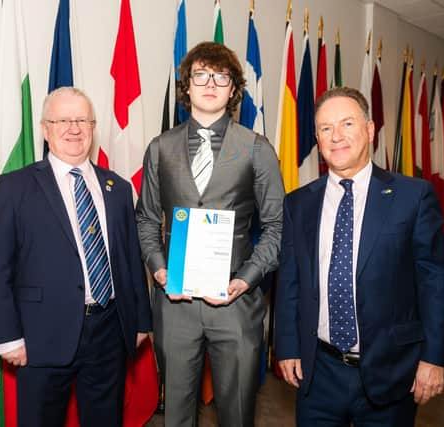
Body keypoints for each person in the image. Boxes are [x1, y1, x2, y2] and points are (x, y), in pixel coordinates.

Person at [275, 86, 444, 426]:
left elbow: (435, 283)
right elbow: (290, 280)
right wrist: (286, 346)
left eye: (347, 124)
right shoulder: (298, 203)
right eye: (326, 128)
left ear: (370, 130)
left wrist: (434, 358)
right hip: (319, 374)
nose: (336, 136)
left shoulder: (412, 197)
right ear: (317, 137)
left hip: (392, 371)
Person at [0, 87, 151, 427]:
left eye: (82, 120)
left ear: (93, 126)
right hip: (41, 334)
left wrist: (141, 321)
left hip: (109, 330)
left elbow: (131, 259)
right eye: (63, 120)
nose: (74, 129)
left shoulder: (116, 188)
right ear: (45, 129)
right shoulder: (15, 187)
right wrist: (6, 337)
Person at [136, 41, 284, 426]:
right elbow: (147, 220)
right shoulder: (160, 148)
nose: (210, 83)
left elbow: (276, 227)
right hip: (175, 304)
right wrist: (158, 269)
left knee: (236, 413)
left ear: (234, 89)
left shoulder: (257, 148)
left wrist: (246, 280)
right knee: (177, 416)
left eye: (221, 76)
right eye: (201, 75)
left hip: (237, 306)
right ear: (186, 85)